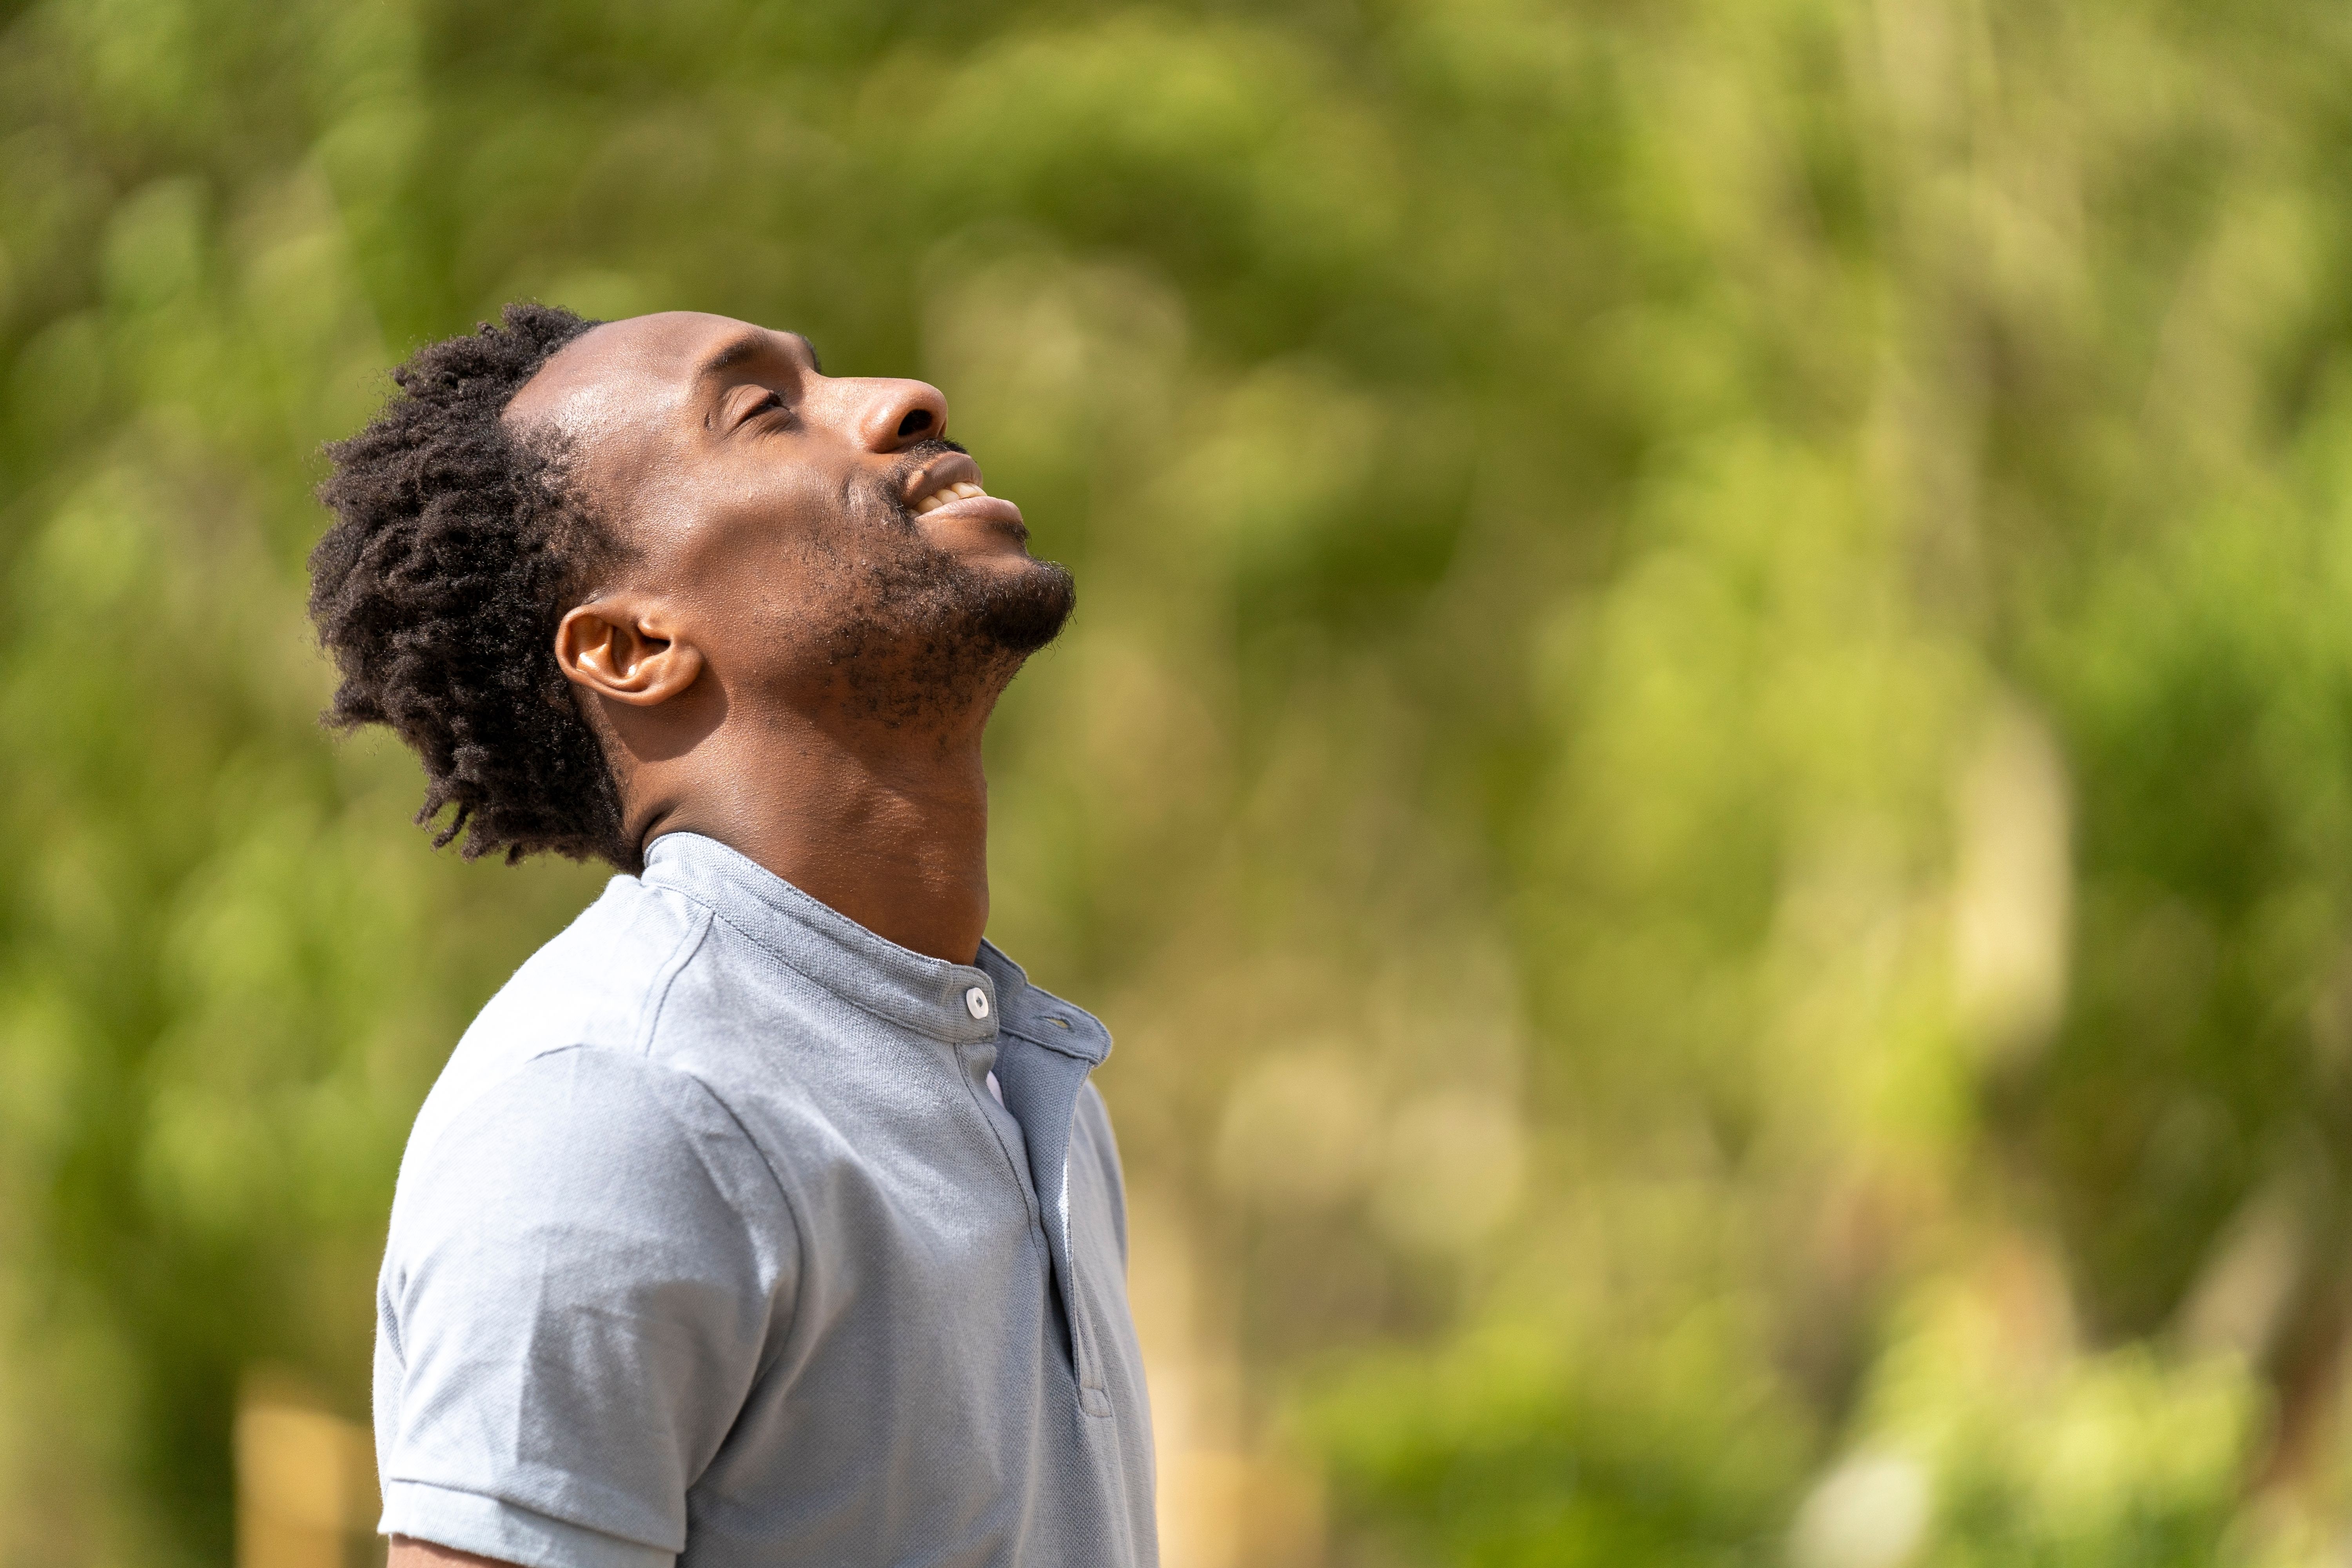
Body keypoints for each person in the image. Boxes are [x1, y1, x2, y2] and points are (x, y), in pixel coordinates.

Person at [308, 304, 1156, 1568]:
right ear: (636, 645)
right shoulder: (614, 1105)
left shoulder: (1021, 1082)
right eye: (764, 409)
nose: (909, 397)